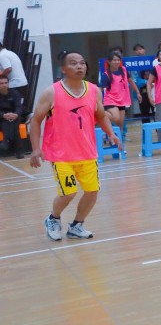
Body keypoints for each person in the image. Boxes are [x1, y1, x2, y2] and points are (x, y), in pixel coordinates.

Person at [31, 51, 122, 241]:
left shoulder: (94, 90)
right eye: (73, 63)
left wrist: (111, 134)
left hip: (87, 152)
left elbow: (100, 116)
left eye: (82, 63)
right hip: (61, 155)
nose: (79, 66)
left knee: (92, 192)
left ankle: (76, 225)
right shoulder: (51, 92)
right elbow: (36, 120)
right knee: (68, 192)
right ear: (63, 69)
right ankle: (53, 218)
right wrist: (36, 148)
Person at [99, 51, 141, 146]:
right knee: (116, 117)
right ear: (109, 62)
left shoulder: (124, 70)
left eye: (118, 60)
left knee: (120, 123)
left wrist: (138, 92)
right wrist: (95, 100)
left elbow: (131, 81)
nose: (117, 62)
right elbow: (100, 89)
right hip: (110, 100)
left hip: (122, 100)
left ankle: (117, 142)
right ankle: (102, 116)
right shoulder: (106, 75)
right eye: (114, 60)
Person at [0, 75, 24, 158]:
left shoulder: (15, 93)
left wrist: (16, 114)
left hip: (14, 116)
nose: (4, 85)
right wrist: (3, 115)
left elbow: (19, 107)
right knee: (12, 126)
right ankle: (19, 151)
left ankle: (6, 141)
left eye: (6, 83)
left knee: (11, 122)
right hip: (1, 117)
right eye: (1, 83)